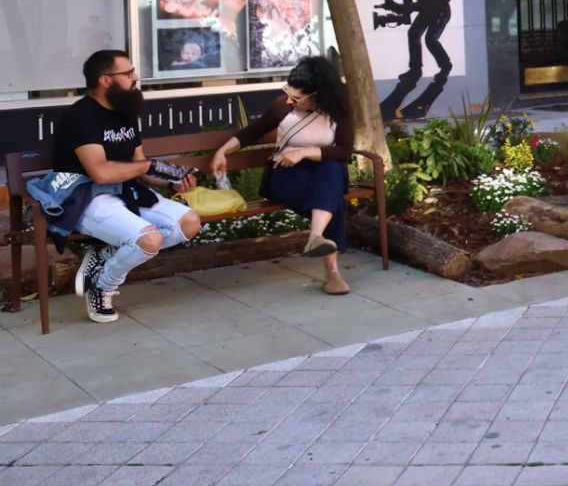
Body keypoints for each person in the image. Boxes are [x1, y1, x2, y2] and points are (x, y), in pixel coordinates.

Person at [42, 51, 202, 324]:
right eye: (128, 73)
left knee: (189, 223)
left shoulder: (124, 111)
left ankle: (104, 255)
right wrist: (144, 168)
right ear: (105, 80)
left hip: (126, 192)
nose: (135, 77)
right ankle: (102, 285)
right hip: (86, 197)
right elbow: (101, 173)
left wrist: (172, 181)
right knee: (148, 239)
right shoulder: (80, 117)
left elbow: (139, 165)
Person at [210, 56, 357, 295]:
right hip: (285, 176)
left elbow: (344, 152)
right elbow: (252, 132)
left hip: (322, 174)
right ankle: (331, 272)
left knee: (330, 174)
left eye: (296, 98)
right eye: (288, 93)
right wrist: (222, 151)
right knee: (331, 197)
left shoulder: (339, 112)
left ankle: (316, 237)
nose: (290, 100)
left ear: (317, 95)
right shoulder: (282, 107)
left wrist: (305, 152)